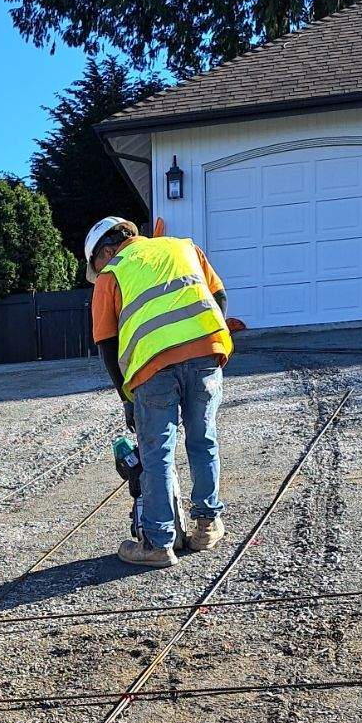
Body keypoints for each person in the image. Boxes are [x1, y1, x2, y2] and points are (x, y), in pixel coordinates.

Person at [85, 215, 233, 568]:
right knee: (203, 439)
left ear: (106, 251)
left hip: (153, 369)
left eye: (95, 263)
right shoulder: (184, 247)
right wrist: (201, 343)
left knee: (156, 454)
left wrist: (127, 399)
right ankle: (206, 527)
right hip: (205, 355)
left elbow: (107, 344)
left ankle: (157, 543)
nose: (98, 270)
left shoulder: (110, 276)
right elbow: (220, 298)